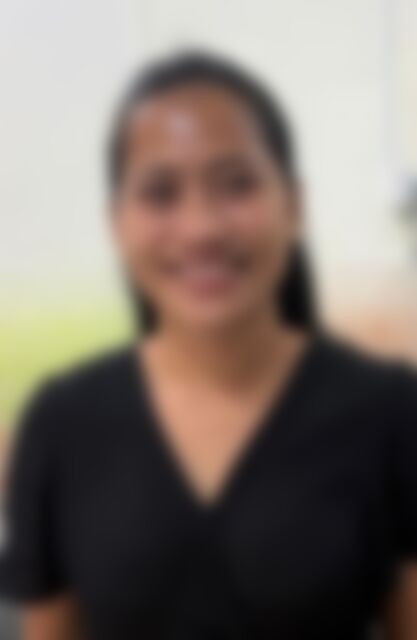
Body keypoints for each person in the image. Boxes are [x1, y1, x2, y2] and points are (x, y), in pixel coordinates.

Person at [1, 50, 417, 640]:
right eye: (160, 192)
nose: (201, 228)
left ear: (294, 204)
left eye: (236, 184)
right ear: (117, 223)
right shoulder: (62, 424)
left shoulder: (391, 413)